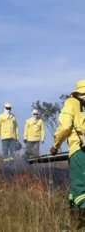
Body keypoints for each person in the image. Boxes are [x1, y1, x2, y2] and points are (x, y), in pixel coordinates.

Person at [50, 80, 85, 230]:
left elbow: (64, 127)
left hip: (79, 152)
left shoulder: (71, 102)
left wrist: (56, 146)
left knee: (79, 190)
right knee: (73, 195)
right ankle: (75, 226)